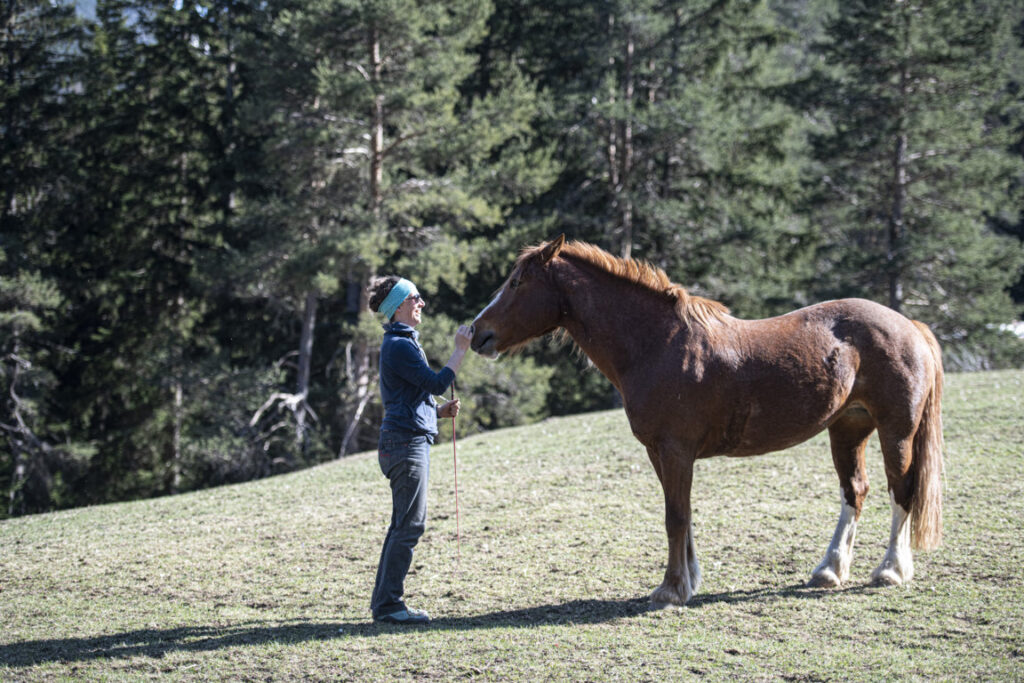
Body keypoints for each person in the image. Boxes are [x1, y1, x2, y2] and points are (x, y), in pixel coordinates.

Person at [366, 275, 473, 625]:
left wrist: (438, 412)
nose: (421, 303)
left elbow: (412, 395)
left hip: (404, 441)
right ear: (399, 306)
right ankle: (389, 606)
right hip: (405, 444)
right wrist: (460, 350)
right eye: (416, 297)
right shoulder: (400, 345)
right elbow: (436, 383)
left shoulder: (402, 342)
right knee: (410, 526)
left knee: (403, 525)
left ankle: (385, 604)